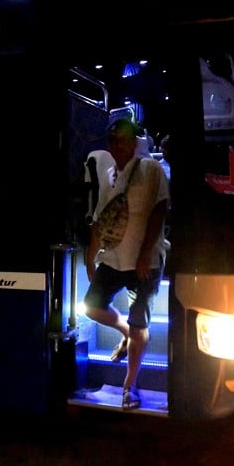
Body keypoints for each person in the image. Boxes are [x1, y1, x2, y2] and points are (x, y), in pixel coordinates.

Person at [83, 118, 170, 410]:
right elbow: (100, 219)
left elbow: (160, 211)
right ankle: (123, 332)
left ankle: (129, 385)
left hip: (146, 263)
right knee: (91, 307)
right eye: (112, 140)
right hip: (114, 258)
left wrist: (146, 253)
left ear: (134, 142)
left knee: (140, 324)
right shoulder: (108, 174)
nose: (118, 145)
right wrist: (90, 254)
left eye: (123, 139)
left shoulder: (151, 169)